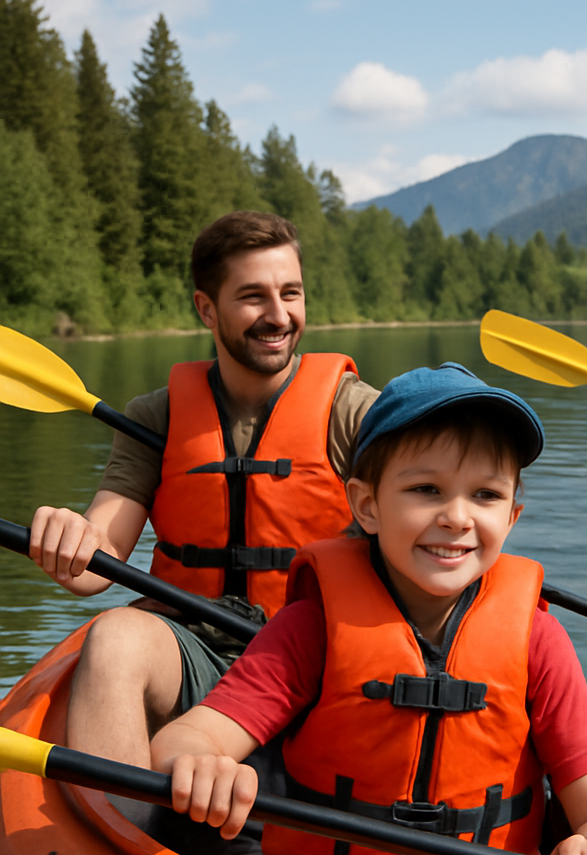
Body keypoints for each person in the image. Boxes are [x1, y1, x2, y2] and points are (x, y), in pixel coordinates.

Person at [150, 363, 587, 855]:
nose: (457, 516)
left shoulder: (539, 642)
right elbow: (188, 738)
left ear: (511, 518)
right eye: (425, 489)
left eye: (485, 495)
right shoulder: (312, 627)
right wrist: (201, 765)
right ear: (366, 506)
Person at [28, 211, 379, 768]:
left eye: (291, 293)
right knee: (115, 636)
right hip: (195, 647)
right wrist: (71, 538)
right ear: (206, 309)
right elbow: (98, 561)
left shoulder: (354, 412)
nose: (279, 315)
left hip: (318, 654)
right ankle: (117, 840)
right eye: (253, 296)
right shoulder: (157, 416)